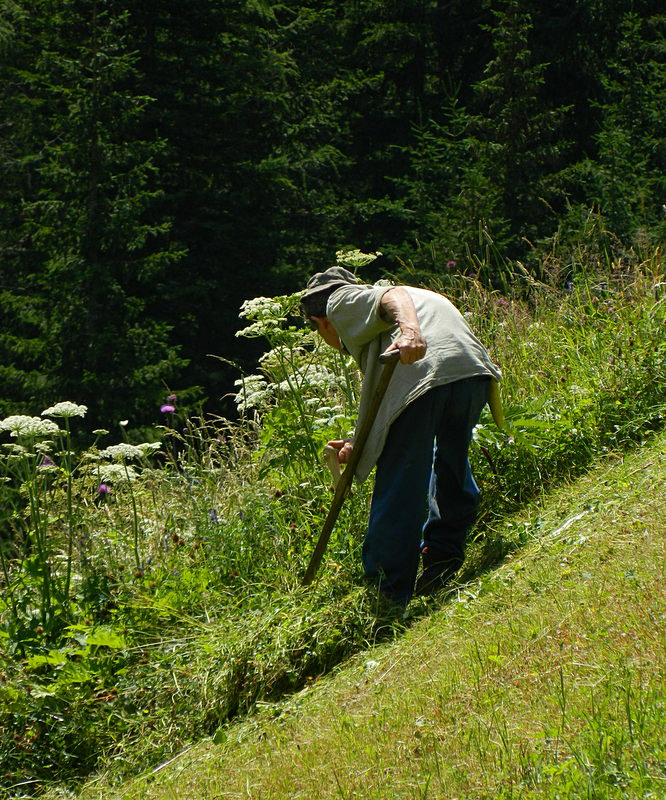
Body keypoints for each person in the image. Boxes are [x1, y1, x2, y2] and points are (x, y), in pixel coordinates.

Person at [300, 266, 502, 607]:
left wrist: (410, 331)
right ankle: (442, 558)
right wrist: (358, 442)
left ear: (321, 324)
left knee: (399, 485)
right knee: (451, 465)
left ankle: (387, 592)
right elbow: (388, 397)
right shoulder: (408, 302)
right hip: (472, 373)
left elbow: (390, 297)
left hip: (425, 377)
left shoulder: (338, 302)